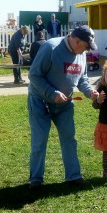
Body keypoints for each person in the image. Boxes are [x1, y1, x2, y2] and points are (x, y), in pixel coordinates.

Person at [27, 25, 99, 189]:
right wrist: (52, 94)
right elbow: (34, 75)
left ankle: (74, 176)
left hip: (64, 104)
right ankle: (36, 179)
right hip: (40, 102)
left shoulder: (81, 54)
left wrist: (90, 93)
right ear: (76, 40)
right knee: (39, 141)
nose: (86, 51)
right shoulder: (51, 48)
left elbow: (82, 80)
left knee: (69, 140)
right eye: (86, 47)